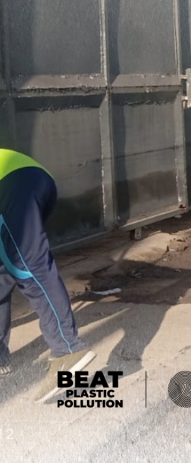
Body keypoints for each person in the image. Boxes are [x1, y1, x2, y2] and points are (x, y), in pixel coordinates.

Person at [0, 150, 96, 401]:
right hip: (34, 179)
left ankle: (68, 351)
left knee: (28, 267)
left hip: (12, 183)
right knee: (5, 270)